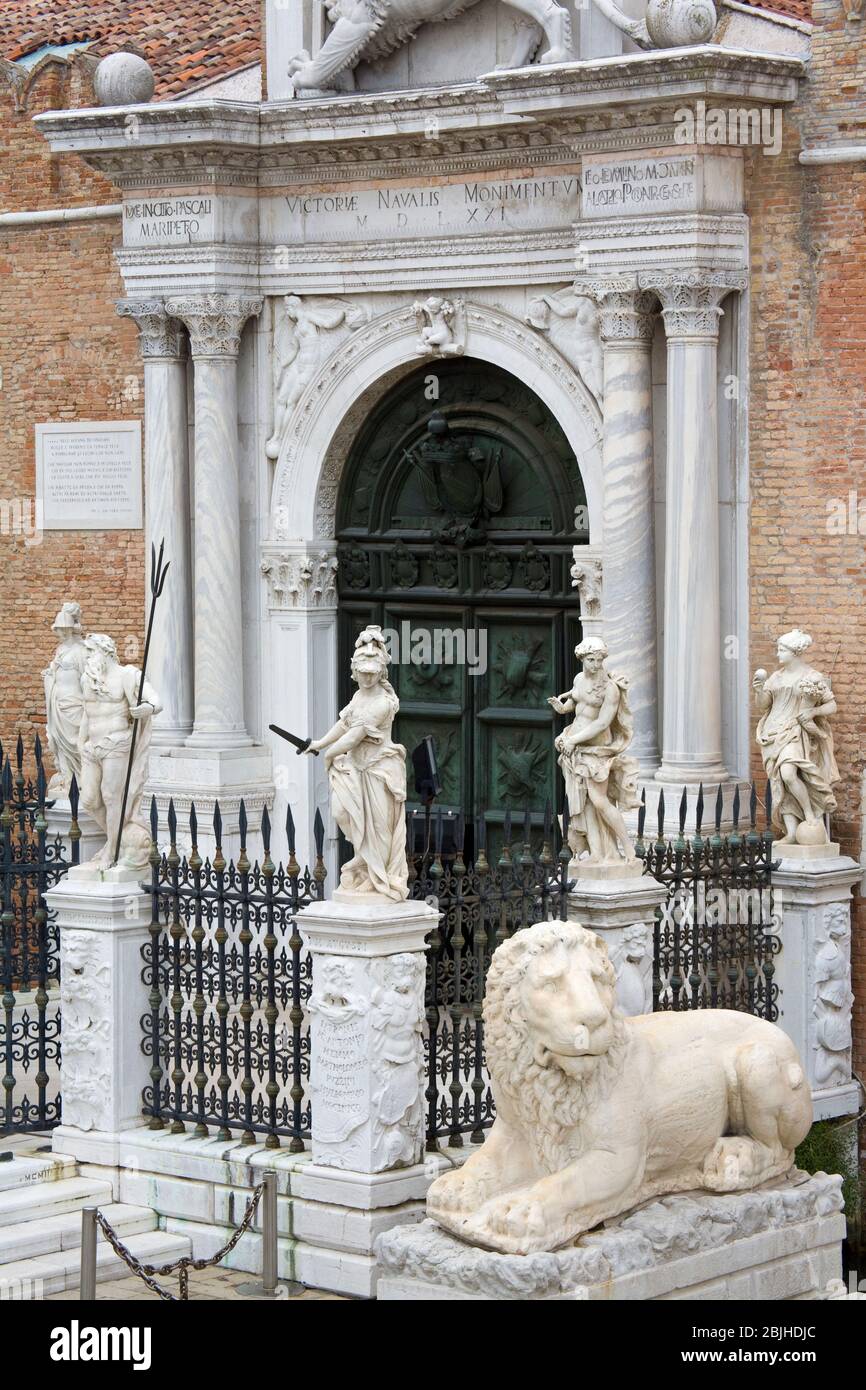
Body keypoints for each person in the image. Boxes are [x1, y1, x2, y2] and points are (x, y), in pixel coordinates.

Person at [306, 626, 408, 900]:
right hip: (355, 769)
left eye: (371, 673)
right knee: (342, 812)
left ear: (380, 672)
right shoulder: (359, 696)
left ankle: (377, 876)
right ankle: (365, 862)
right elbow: (344, 724)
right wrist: (320, 743)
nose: (365, 678)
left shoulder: (383, 703)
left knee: (378, 827)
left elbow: (354, 736)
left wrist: (328, 756)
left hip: (379, 770)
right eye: (361, 673)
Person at [549, 637, 639, 866]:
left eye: (599, 660)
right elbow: (578, 705)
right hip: (577, 748)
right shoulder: (579, 679)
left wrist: (573, 740)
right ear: (582, 659)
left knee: (599, 800)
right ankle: (597, 853)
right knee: (585, 802)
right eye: (591, 660)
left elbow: (601, 723)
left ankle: (627, 846)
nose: (596, 665)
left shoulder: (610, 689)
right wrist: (563, 708)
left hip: (597, 750)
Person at [78, 633, 162, 869]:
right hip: (91, 747)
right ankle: (115, 841)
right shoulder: (88, 679)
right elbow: (87, 712)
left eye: (91, 652)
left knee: (111, 797)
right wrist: (80, 742)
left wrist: (145, 709)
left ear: (105, 651)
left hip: (116, 743)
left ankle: (111, 851)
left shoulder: (127, 675)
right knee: (89, 799)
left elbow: (157, 702)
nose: (88, 657)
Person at [753, 629, 839, 846]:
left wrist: (812, 712)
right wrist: (759, 690)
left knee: (789, 773)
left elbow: (832, 705)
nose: (778, 654)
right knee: (779, 782)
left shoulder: (812, 677)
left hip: (795, 732)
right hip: (773, 732)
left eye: (782, 650)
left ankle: (810, 814)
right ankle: (791, 833)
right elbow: (764, 705)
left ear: (795, 652)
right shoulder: (776, 677)